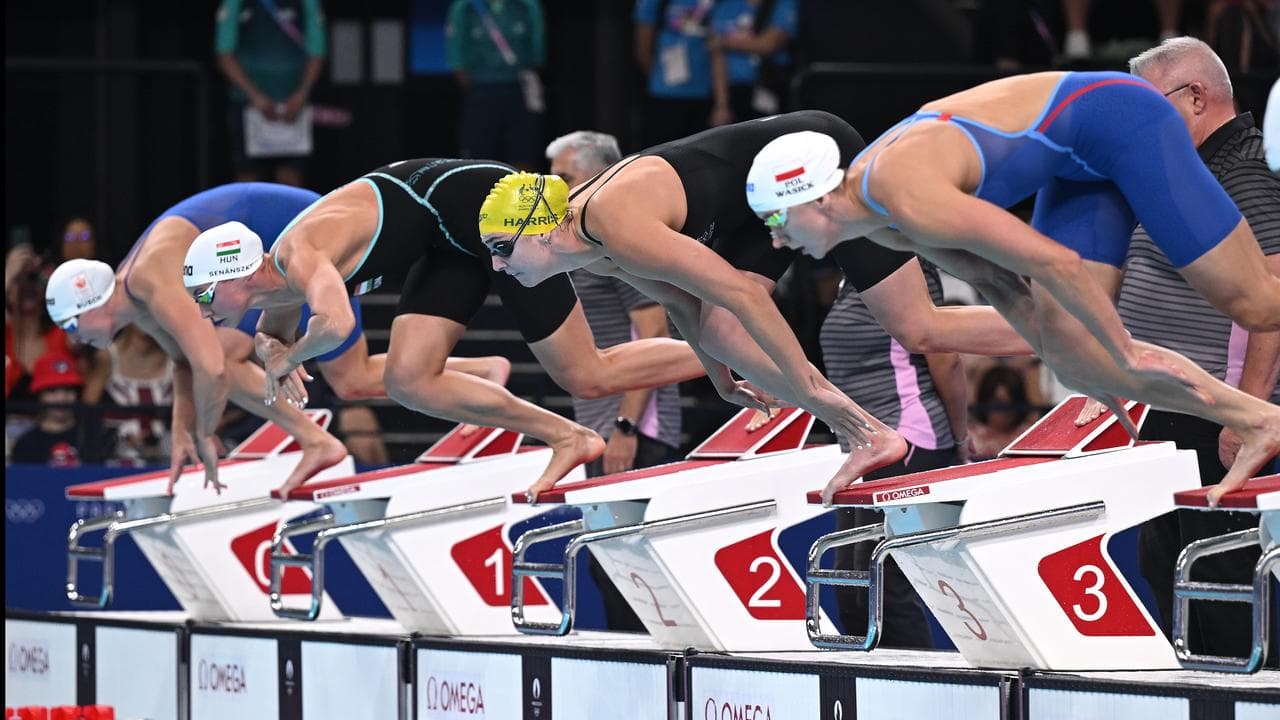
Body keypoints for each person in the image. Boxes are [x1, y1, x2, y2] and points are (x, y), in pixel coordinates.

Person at [744, 71, 1280, 503]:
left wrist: (1120, 349)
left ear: (811, 200)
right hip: (1075, 166)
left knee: (1255, 304)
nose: (775, 243)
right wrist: (1089, 366)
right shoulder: (882, 221)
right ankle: (1261, 421)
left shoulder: (906, 197)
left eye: (773, 222)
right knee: (1079, 359)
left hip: (1125, 119)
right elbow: (993, 280)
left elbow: (1055, 263)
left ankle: (1249, 413)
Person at [480, 112, 1031, 501]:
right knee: (718, 331)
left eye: (503, 250)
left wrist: (811, 391)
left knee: (917, 326)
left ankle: (1069, 334)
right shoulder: (591, 250)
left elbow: (741, 294)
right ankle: (874, 434)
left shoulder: (614, 226)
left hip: (807, 156)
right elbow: (686, 310)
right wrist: (720, 379)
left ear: (542, 233)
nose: (500, 268)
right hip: (749, 200)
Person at [182, 160, 708, 501]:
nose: (201, 311)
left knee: (588, 375)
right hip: (447, 243)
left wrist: (288, 358)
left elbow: (335, 323)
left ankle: (738, 354)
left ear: (238, 274)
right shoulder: (275, 288)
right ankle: (569, 436)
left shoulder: (298, 256)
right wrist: (273, 348)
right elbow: (274, 336)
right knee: (407, 379)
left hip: (488, 209)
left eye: (203, 295)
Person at [45, 184, 498, 496]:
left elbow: (211, 367)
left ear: (89, 307)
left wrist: (203, 433)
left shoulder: (149, 279)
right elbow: (184, 364)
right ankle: (484, 371)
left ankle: (317, 442)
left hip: (303, 237)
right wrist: (181, 433)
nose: (74, 340)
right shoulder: (137, 298)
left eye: (71, 327)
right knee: (352, 380)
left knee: (226, 356)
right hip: (261, 259)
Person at [1114, 37, 1280, 661]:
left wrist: (1249, 414)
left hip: (1216, 421)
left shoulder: (1241, 169)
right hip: (1178, 414)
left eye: (1150, 108)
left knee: (1220, 591)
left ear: (1196, 97)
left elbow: (1276, 299)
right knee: (1180, 581)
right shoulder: (1201, 168)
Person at [547, 130, 683, 632]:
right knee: (608, 570)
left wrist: (626, 426)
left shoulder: (616, 241)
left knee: (635, 574)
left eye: (565, 177)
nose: (555, 189)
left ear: (599, 176)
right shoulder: (579, 241)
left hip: (633, 429)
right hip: (604, 426)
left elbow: (654, 332)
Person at [821, 262, 973, 648]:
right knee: (854, 591)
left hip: (909, 439)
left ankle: (919, 696)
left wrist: (961, 436)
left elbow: (947, 358)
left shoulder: (911, 270)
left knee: (888, 588)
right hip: (865, 449)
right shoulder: (850, 278)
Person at [215, 0, 326, 186]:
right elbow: (224, 53)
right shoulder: (237, 3)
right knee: (247, 175)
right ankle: (246, 217)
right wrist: (255, 97)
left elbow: (317, 50)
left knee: (291, 176)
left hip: (294, 104)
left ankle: (292, 216)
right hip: (247, 103)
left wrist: (301, 94)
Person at [446, 0, 546, 169]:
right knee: (477, 147)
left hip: (519, 86)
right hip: (480, 88)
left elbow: (537, 53)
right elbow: (457, 57)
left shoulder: (527, 6)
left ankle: (523, 192)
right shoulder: (465, 6)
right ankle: (476, 190)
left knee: (523, 147)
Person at [634, 0, 718, 145]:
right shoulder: (653, 3)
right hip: (664, 94)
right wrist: (661, 78)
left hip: (706, 92)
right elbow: (643, 49)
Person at [707, 0, 798, 122]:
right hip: (735, 90)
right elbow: (717, 58)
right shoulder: (725, 7)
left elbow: (769, 45)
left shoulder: (782, 4)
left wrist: (723, 42)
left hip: (773, 87)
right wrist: (721, 105)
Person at [12, 353, 85, 467]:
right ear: (39, 396)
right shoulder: (26, 444)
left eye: (68, 390)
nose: (61, 398)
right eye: (52, 391)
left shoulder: (91, 437)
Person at [969, 365, 1038, 460]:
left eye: (1011, 403)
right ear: (985, 400)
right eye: (997, 403)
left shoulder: (1031, 436)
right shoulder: (971, 440)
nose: (1004, 412)